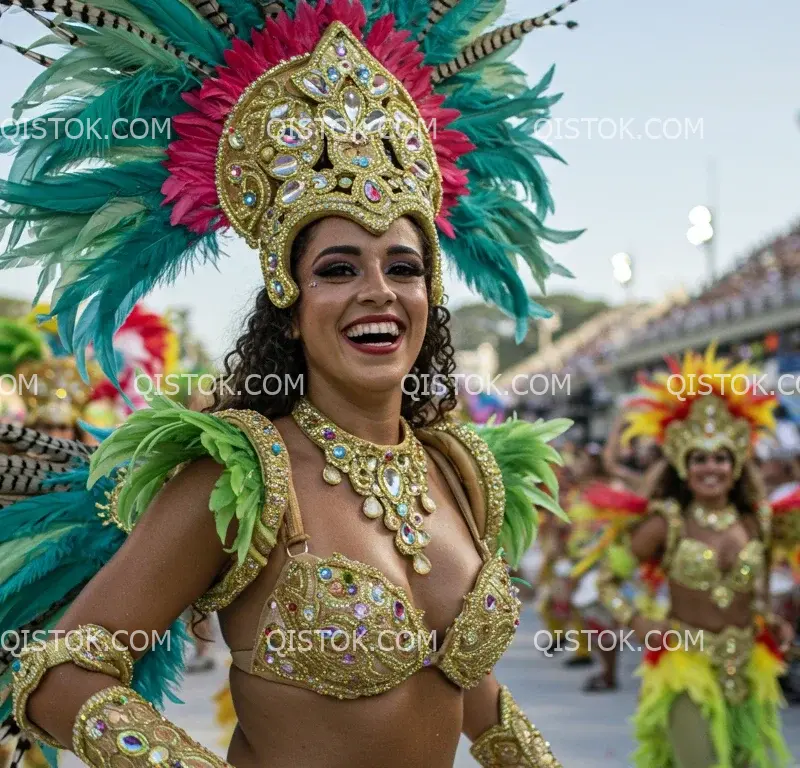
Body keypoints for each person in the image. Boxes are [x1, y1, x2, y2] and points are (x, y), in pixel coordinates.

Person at [0, 2, 584, 767]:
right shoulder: (245, 475)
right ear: (290, 300)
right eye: (338, 269)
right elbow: (59, 673)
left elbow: (454, 676)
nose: (378, 290)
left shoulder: (461, 469)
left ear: (428, 295)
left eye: (402, 267)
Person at [591, 345, 798, 767]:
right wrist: (637, 620)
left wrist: (775, 623)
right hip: (685, 662)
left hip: (749, 666)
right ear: (683, 465)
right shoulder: (666, 523)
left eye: (721, 458)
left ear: (737, 462)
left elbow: (758, 591)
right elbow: (606, 580)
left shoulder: (757, 520)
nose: (711, 468)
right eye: (699, 458)